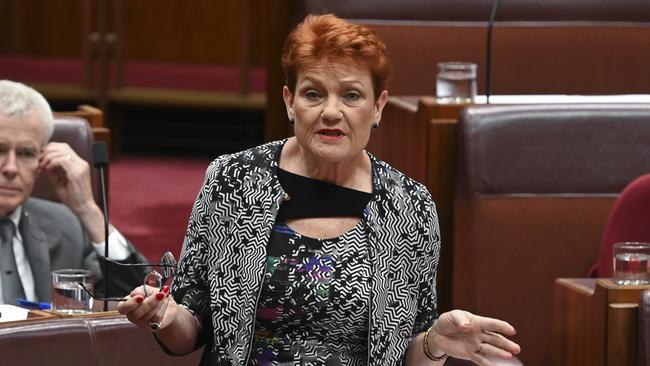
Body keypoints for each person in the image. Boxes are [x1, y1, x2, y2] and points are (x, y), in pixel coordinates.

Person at [118, 14, 521, 365]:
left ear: (378, 106)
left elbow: (408, 355)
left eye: (351, 95)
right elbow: (192, 325)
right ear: (290, 102)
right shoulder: (233, 180)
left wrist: (434, 345)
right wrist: (164, 318)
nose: (331, 111)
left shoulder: (409, 206)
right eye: (314, 94)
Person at [0, 79, 148, 305]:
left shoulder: (65, 226)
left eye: (26, 153)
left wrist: (88, 210)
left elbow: (138, 301)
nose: (11, 168)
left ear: (42, 159)